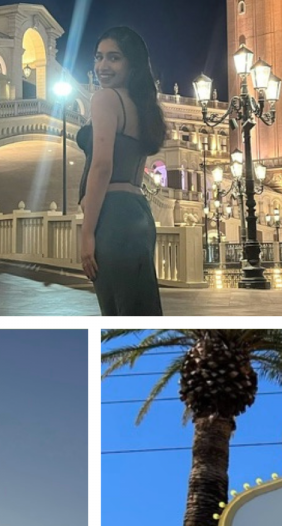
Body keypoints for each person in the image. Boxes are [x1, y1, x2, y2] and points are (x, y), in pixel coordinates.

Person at [78, 27, 166, 315]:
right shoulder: (144, 107)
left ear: (132, 64)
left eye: (113, 58)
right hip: (139, 214)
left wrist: (88, 233)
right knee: (140, 311)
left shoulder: (105, 99)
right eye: (99, 57)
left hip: (113, 218)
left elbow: (102, 166)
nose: (103, 66)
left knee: (117, 313)